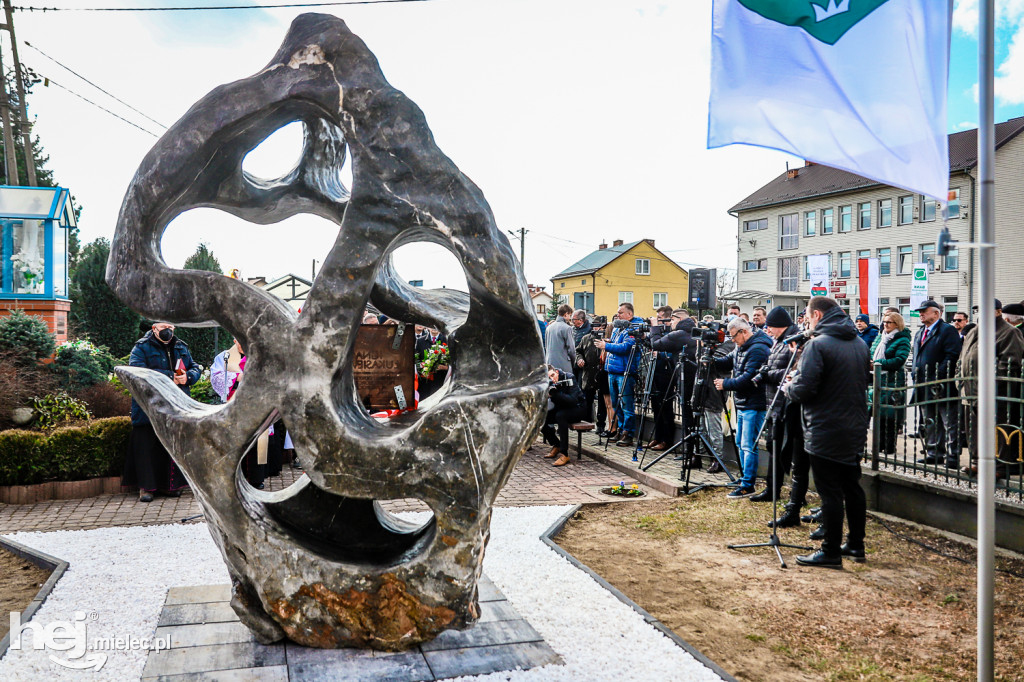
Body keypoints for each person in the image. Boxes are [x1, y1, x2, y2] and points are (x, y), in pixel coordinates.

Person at [783, 296, 870, 567]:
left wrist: (789, 387)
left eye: (808, 316)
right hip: (853, 426)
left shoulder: (817, 345)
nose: (806, 321)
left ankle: (830, 550)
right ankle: (855, 544)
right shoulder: (858, 343)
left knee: (830, 491)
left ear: (817, 315)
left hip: (825, 428)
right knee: (851, 487)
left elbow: (804, 389)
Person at [123, 322, 200, 502]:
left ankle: (170, 486)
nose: (168, 331)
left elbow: (195, 368)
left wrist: (187, 377)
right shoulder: (141, 347)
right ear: (154, 328)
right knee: (147, 447)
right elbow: (138, 372)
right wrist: (170, 376)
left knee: (171, 446)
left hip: (176, 405)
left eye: (171, 327)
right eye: (164, 327)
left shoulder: (181, 346)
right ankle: (147, 488)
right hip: (149, 406)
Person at [958, 299, 1024, 476]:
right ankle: (977, 462)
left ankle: (1000, 466)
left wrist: (990, 385)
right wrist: (960, 380)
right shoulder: (974, 331)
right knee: (974, 429)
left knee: (999, 429)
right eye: (979, 310)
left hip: (994, 392)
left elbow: (1010, 364)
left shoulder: (1008, 332)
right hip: (970, 390)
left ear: (998, 311)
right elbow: (963, 356)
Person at [713, 318, 772, 497]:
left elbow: (749, 378)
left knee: (748, 444)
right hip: (743, 401)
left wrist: (726, 383)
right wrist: (710, 357)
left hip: (754, 402)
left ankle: (748, 484)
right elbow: (727, 361)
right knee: (740, 443)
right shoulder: (742, 346)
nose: (733, 341)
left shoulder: (758, 349)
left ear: (743, 332)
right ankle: (744, 478)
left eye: (733, 337)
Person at [751, 307, 802, 507]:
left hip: (785, 403)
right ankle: (772, 488)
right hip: (773, 402)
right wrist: (763, 371)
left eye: (770, 326)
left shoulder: (794, 342)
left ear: (779, 326)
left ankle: (793, 494)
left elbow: (792, 371)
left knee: (785, 450)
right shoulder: (779, 342)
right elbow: (772, 365)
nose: (767, 330)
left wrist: (767, 375)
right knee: (773, 447)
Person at [912, 300, 963, 469]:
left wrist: (937, 376)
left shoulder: (946, 330)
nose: (921, 314)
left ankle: (952, 456)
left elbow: (952, 355)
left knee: (949, 422)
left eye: (924, 311)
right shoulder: (920, 332)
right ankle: (934, 453)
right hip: (924, 384)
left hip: (941, 385)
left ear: (936, 313)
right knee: (931, 421)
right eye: (920, 311)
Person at [595, 303, 642, 447]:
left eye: (621, 313)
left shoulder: (634, 328)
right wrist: (609, 342)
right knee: (615, 404)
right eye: (617, 312)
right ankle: (620, 429)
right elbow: (617, 343)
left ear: (629, 314)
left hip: (625, 371)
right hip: (612, 370)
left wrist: (606, 346)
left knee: (627, 404)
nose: (618, 315)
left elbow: (626, 347)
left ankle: (628, 433)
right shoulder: (618, 327)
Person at [869, 312, 912, 455]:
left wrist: (878, 363)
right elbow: (871, 353)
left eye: (889, 322)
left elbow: (899, 360)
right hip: (877, 379)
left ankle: (889, 446)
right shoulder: (880, 338)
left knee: (890, 416)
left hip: (892, 380)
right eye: (884, 322)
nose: (885, 325)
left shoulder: (902, 340)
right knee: (878, 415)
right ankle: (878, 445)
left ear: (897, 324)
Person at [646, 305, 681, 451]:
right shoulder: (657, 332)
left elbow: (671, 354)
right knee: (655, 406)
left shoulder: (672, 333)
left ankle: (667, 440)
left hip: (667, 373)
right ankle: (657, 437)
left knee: (666, 407)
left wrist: (659, 354)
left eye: (660, 318)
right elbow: (652, 344)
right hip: (656, 370)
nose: (657, 320)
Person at [541, 365, 587, 467]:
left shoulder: (569, 377)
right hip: (563, 408)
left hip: (578, 408)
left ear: (557, 372)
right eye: (549, 378)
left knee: (560, 416)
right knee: (541, 418)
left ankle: (564, 454)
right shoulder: (550, 384)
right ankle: (556, 444)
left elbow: (573, 400)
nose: (552, 379)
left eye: (553, 375)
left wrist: (556, 394)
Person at [415, 327, 448, 400]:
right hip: (424, 381)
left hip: (440, 381)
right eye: (432, 326)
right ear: (427, 327)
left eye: (436, 326)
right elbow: (416, 359)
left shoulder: (446, 340)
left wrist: (445, 367)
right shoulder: (420, 341)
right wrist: (421, 367)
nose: (434, 328)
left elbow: (452, 361)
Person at [544, 304, 577, 376]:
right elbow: (571, 350)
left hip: (550, 363)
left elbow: (546, 346)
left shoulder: (549, 327)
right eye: (570, 315)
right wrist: (573, 362)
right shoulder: (567, 328)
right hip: (563, 364)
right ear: (566, 314)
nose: (570, 318)